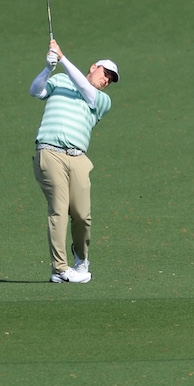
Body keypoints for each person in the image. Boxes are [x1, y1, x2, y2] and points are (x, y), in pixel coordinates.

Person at [29, 40, 120, 283]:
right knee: (58, 210)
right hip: (50, 153)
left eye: (111, 79)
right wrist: (48, 69)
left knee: (82, 215)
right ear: (93, 67)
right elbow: (35, 91)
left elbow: (85, 88)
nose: (107, 80)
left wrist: (62, 58)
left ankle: (81, 259)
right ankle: (59, 269)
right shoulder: (60, 80)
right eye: (105, 73)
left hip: (78, 158)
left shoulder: (102, 100)